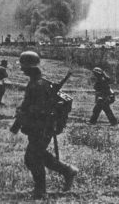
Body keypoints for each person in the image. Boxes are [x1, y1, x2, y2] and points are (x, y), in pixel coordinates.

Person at [11, 51, 78, 199]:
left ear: (30, 67)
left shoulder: (39, 85)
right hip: (38, 127)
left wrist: (26, 111)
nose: (21, 69)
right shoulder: (36, 83)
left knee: (32, 157)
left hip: (42, 127)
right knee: (37, 155)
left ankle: (41, 190)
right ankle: (68, 171)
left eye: (23, 66)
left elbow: (41, 109)